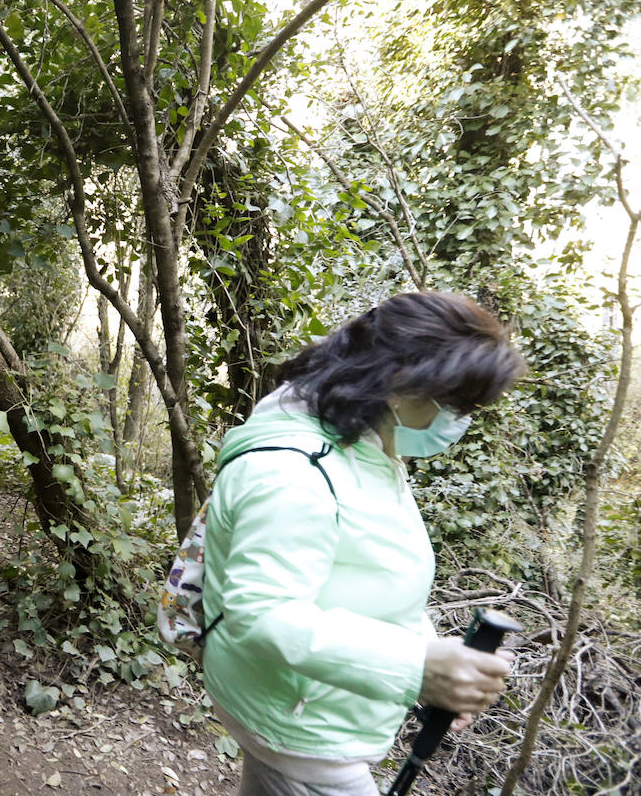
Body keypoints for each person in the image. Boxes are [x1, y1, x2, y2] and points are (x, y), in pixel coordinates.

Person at [200, 291, 525, 796]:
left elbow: (360, 573)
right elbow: (261, 611)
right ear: (400, 382)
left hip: (299, 702)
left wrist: (434, 660)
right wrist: (415, 667)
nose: (458, 422)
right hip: (301, 730)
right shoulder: (294, 471)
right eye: (454, 405)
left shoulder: (363, 441)